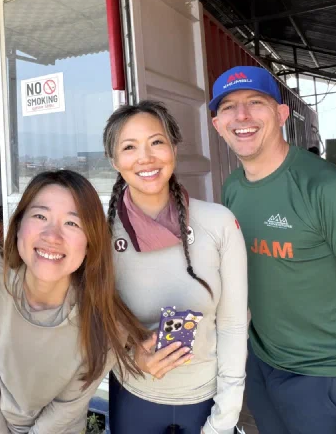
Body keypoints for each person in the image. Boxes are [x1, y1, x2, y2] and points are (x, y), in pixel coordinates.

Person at [210, 65, 336, 434]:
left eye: (256, 102)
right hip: (263, 366)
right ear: (217, 124)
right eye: (228, 107)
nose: (242, 116)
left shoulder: (329, 191)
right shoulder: (233, 189)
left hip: (328, 377)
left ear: (282, 114)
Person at [103, 100, 248, 434]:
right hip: (133, 400)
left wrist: (225, 417)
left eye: (157, 142)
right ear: (114, 161)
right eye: (129, 147)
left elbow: (234, 325)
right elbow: (92, 323)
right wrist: (129, 358)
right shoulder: (101, 232)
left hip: (204, 402)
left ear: (174, 148)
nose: (146, 157)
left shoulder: (219, 223)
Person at [0, 170, 148, 434]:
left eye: (72, 223)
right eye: (40, 216)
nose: (52, 236)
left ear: (90, 243)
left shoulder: (106, 317)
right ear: (17, 225)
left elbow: (66, 409)